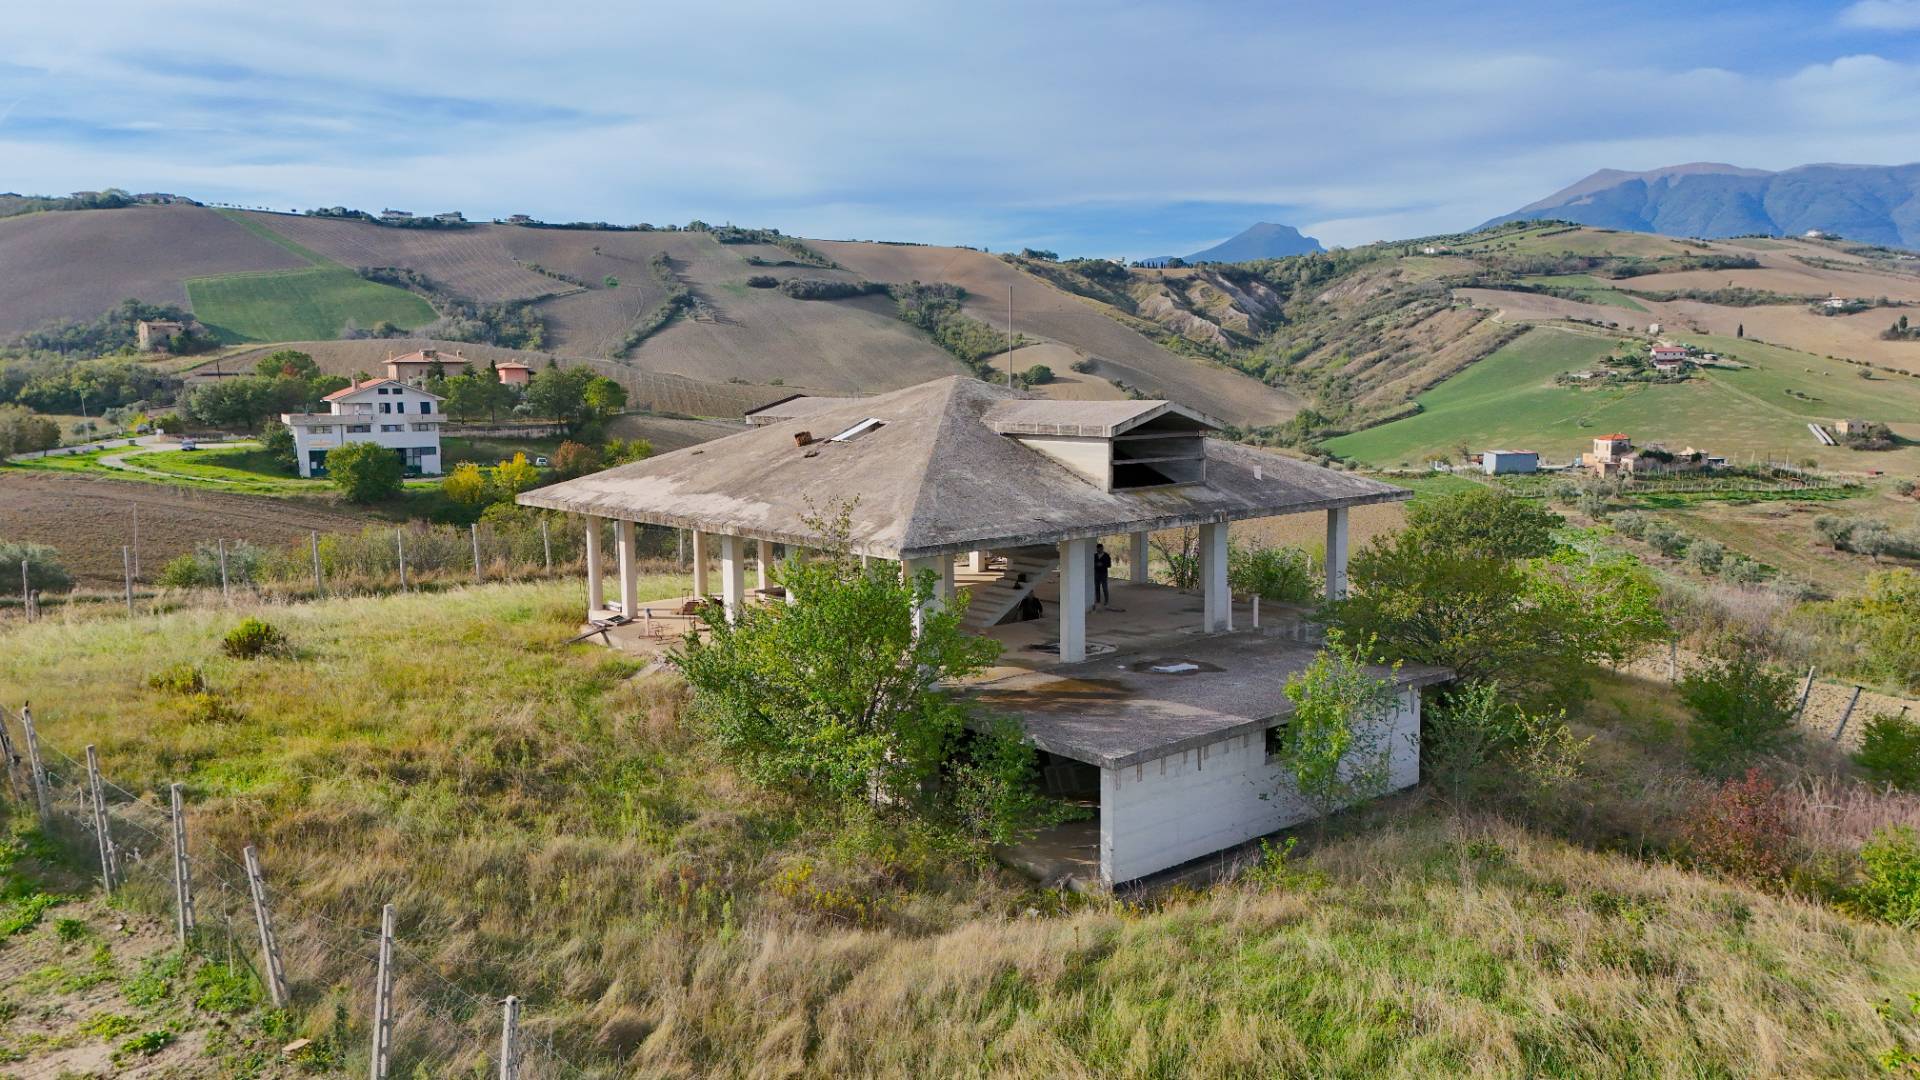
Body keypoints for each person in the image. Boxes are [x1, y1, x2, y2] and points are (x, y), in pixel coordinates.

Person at [1093, 542, 1112, 607]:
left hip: (1103, 573)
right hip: (1096, 573)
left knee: (1104, 588)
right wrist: (1095, 564)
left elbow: (1109, 565)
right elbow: (1092, 563)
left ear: (1102, 548)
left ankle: (1106, 601)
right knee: (1097, 588)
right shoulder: (1095, 555)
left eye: (1100, 549)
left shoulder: (1106, 555)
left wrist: (1102, 564)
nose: (1099, 550)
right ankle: (1098, 600)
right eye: (1098, 549)